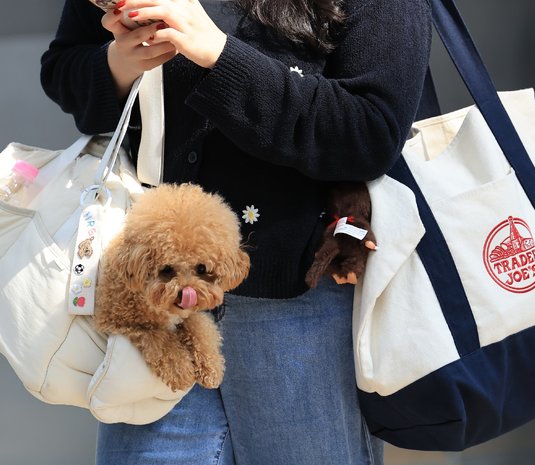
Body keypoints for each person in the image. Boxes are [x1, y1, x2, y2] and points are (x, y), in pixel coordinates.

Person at [41, 0, 437, 463]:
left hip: (305, 298)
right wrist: (119, 63)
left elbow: (370, 133)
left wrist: (219, 55)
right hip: (155, 301)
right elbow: (65, 70)